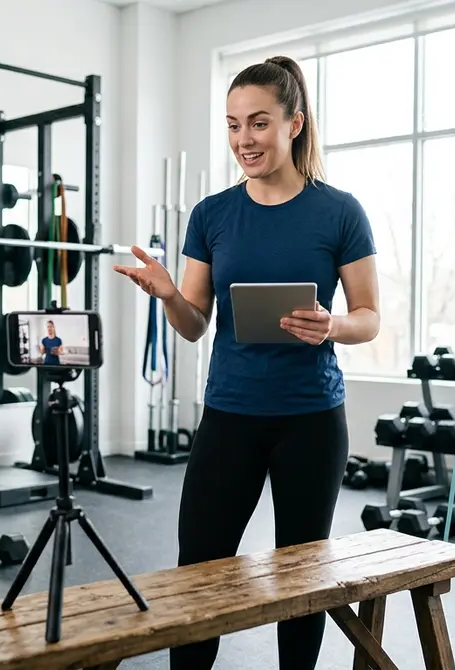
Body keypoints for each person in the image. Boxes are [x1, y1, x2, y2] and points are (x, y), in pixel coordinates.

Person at [113, 55, 379, 670]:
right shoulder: (212, 214)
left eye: (259, 122)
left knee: (301, 578)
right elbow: (194, 325)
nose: (244, 139)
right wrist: (169, 296)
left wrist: (332, 325)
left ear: (294, 124)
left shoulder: (340, 211)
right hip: (230, 416)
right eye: (233, 125)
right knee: (199, 573)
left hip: (311, 420)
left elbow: (369, 316)